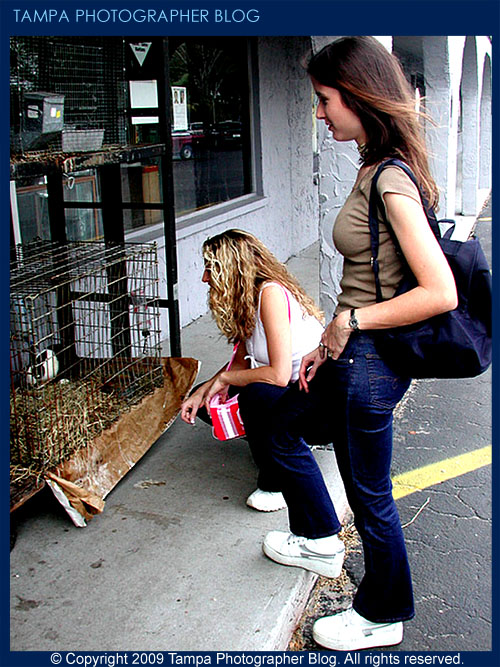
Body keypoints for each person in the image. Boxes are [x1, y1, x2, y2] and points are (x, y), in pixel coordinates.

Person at [258, 37, 458, 651]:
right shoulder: (375, 164)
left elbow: (440, 291)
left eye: (324, 100)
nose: (319, 114)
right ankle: (318, 538)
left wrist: (354, 323)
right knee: (273, 415)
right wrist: (331, 337)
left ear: (359, 96)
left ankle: (381, 612)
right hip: (352, 356)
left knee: (370, 493)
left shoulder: (390, 178)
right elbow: (371, 275)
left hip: (368, 366)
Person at [180, 229, 324, 512]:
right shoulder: (247, 298)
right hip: (294, 391)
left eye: (211, 268)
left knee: (256, 393)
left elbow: (278, 375)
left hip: (316, 400)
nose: (205, 278)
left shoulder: (270, 294)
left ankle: (278, 482)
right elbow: (242, 363)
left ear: (233, 268)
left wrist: (223, 379)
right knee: (209, 402)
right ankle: (277, 445)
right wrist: (202, 392)